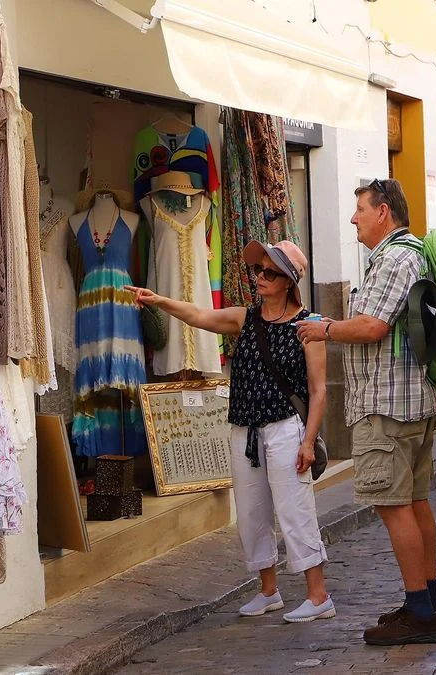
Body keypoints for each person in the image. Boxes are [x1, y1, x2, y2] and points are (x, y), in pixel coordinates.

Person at [125, 240, 335, 624]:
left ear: (288, 282)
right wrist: (159, 301)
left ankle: (318, 595)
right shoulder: (245, 318)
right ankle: (268, 591)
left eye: (270, 272)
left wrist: (308, 441)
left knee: (295, 510)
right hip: (244, 429)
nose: (260, 277)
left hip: (286, 429)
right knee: (252, 513)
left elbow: (319, 389)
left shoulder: (309, 325)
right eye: (258, 270)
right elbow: (199, 315)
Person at [297, 178, 436, 646]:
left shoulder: (395, 258)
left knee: (394, 505)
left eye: (360, 209)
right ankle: (427, 604)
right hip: (410, 401)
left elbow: (372, 326)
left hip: (388, 405)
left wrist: (324, 329)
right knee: (415, 503)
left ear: (383, 212)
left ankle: (420, 613)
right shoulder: (411, 254)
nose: (353, 218)